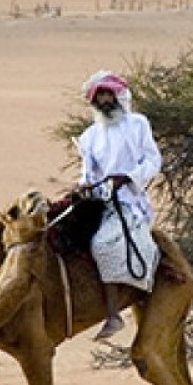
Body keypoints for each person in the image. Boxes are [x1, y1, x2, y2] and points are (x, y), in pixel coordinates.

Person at [76, 70, 163, 340]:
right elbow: (88, 172)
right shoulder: (89, 136)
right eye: (99, 95)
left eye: (107, 94)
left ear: (117, 96)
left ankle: (113, 314)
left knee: (103, 243)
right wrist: (85, 185)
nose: (104, 100)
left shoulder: (138, 124)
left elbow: (152, 161)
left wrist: (127, 178)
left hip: (128, 200)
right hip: (98, 200)